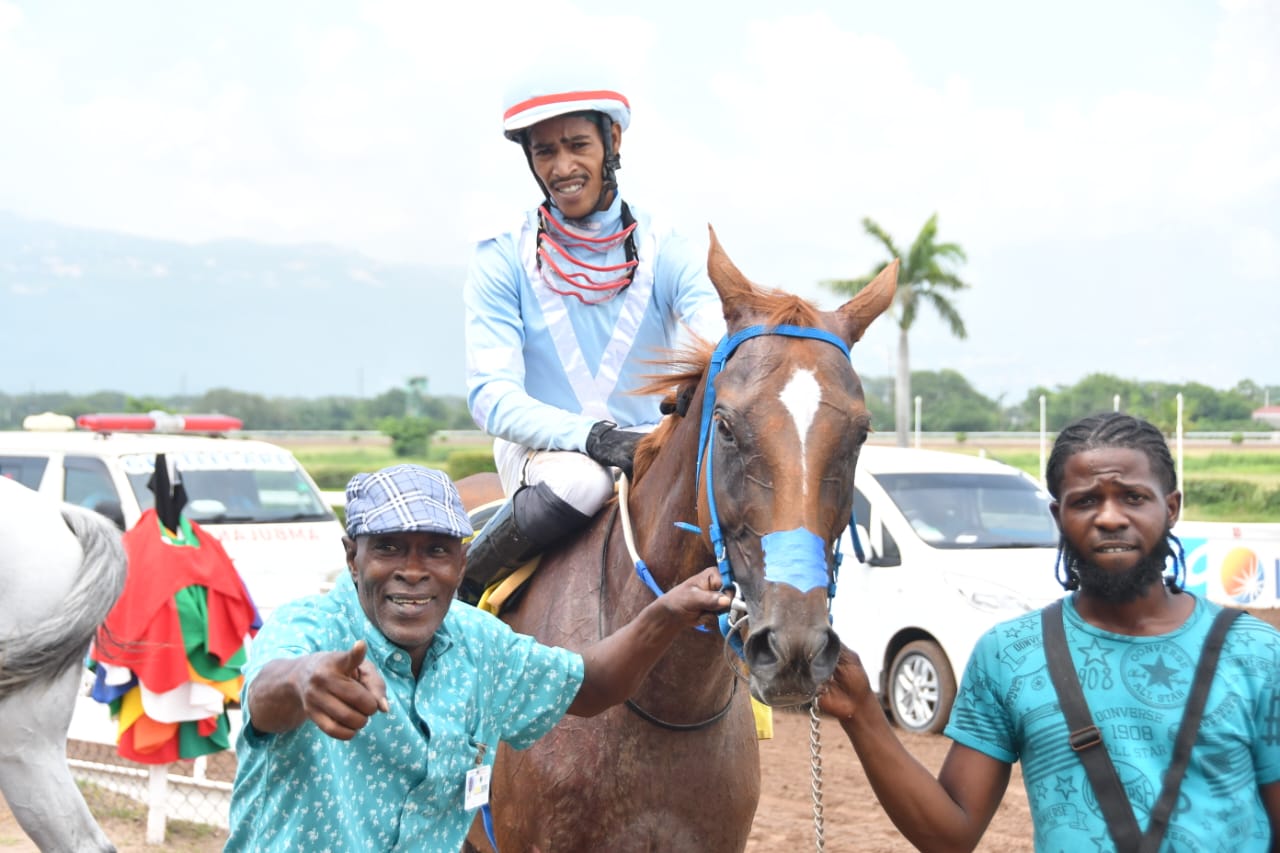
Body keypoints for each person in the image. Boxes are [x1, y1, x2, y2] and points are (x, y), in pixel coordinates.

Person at [819, 412, 1280, 851]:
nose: (1110, 517)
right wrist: (862, 712)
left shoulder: (1257, 654)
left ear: (1172, 507)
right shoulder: (1009, 655)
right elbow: (949, 838)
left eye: (1134, 498)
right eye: (1086, 501)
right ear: (1058, 516)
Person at [226, 464, 730, 852]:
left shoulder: (481, 643)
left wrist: (667, 613)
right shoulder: (309, 628)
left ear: (462, 561)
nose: (413, 571)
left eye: (436, 551)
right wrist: (306, 681)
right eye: (388, 548)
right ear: (352, 558)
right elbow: (267, 690)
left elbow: (592, 685)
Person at [460, 72, 726, 603]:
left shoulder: (667, 247)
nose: (562, 167)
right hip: (544, 455)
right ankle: (463, 586)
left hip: (651, 447)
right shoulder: (501, 255)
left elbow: (716, 340)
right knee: (583, 482)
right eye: (545, 152)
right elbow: (490, 396)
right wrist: (594, 438)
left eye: (577, 145)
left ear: (613, 141)